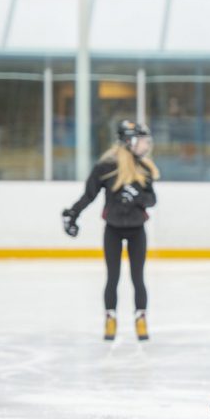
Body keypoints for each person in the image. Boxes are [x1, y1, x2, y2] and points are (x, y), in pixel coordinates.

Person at [62, 120, 159, 342]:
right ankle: (110, 318)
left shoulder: (144, 168)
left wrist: (138, 197)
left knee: (138, 277)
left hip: (137, 230)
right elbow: (89, 195)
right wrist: (72, 213)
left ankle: (141, 318)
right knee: (112, 277)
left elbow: (152, 200)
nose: (146, 145)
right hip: (113, 229)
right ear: (129, 141)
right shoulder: (105, 168)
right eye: (143, 140)